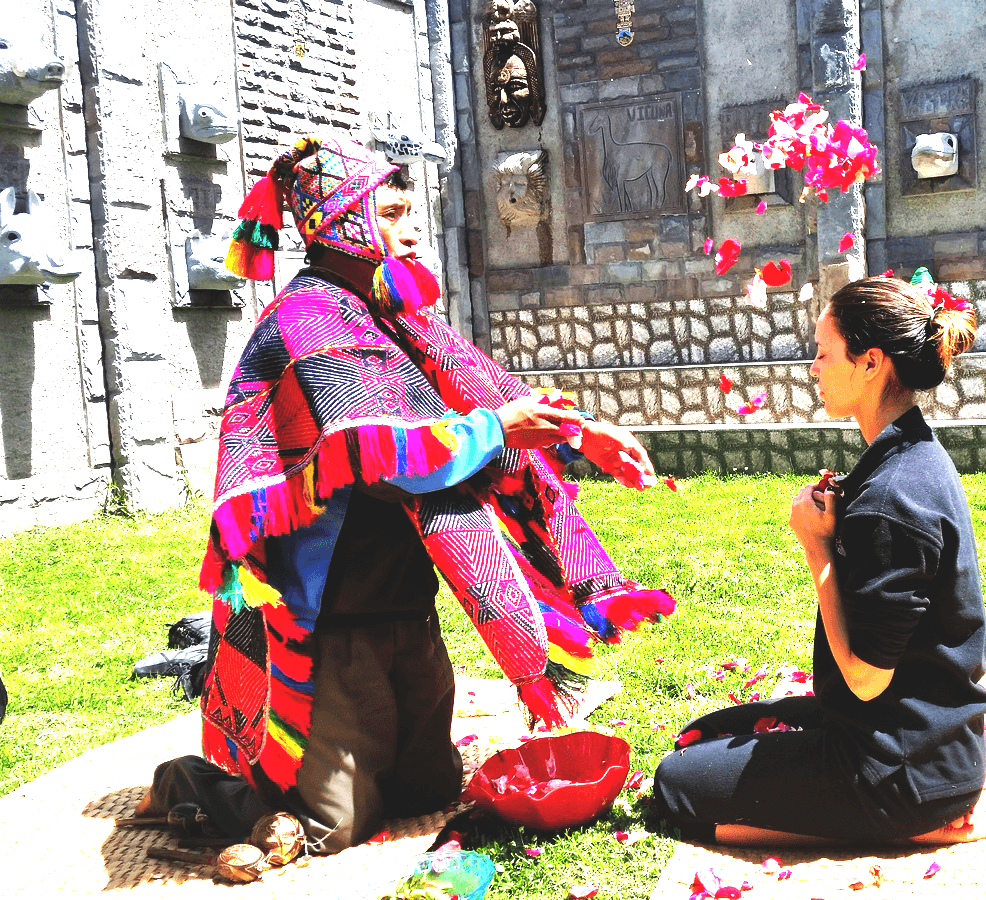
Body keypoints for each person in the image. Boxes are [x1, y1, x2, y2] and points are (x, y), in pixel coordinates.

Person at [137, 136, 673, 852]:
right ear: (340, 221)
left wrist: (581, 434)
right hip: (330, 618)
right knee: (334, 825)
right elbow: (387, 461)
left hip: (406, 601)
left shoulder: (396, 317)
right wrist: (498, 428)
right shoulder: (309, 322)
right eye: (392, 211)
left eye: (411, 212)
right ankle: (188, 781)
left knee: (431, 791)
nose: (414, 229)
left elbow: (487, 389)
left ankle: (346, 760)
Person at [654, 274, 986, 846]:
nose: (813, 367)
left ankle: (918, 827)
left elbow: (864, 679)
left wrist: (817, 549)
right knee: (704, 733)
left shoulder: (892, 500)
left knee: (674, 786)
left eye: (823, 352)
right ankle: (917, 810)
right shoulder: (909, 453)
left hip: (896, 768)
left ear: (870, 363)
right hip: (923, 738)